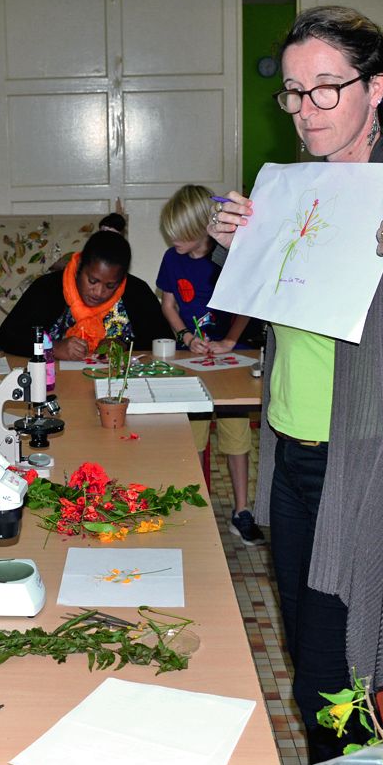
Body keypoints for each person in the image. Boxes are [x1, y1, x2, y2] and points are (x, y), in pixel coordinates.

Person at [211, 6, 383, 763]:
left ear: (376, 88)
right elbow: (285, 321)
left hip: (359, 472)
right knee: (314, 663)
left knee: (332, 684)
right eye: (294, 93)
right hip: (294, 460)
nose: (305, 111)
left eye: (325, 90)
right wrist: (238, 248)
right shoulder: (296, 192)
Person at [156, 184, 263, 547]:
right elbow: (168, 305)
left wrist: (230, 341)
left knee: (236, 435)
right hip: (194, 359)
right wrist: (187, 338)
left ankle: (241, 510)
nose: (173, 243)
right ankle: (190, 509)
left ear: (200, 229)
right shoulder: (172, 259)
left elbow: (248, 303)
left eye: (179, 237)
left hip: (232, 358)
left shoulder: (229, 255)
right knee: (192, 439)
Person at [0, 230, 173, 359]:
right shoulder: (48, 288)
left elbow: (165, 340)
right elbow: (7, 338)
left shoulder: (136, 292)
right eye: (92, 281)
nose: (99, 292)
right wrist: (52, 348)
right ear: (80, 267)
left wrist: (123, 345)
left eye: (110, 285)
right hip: (57, 386)